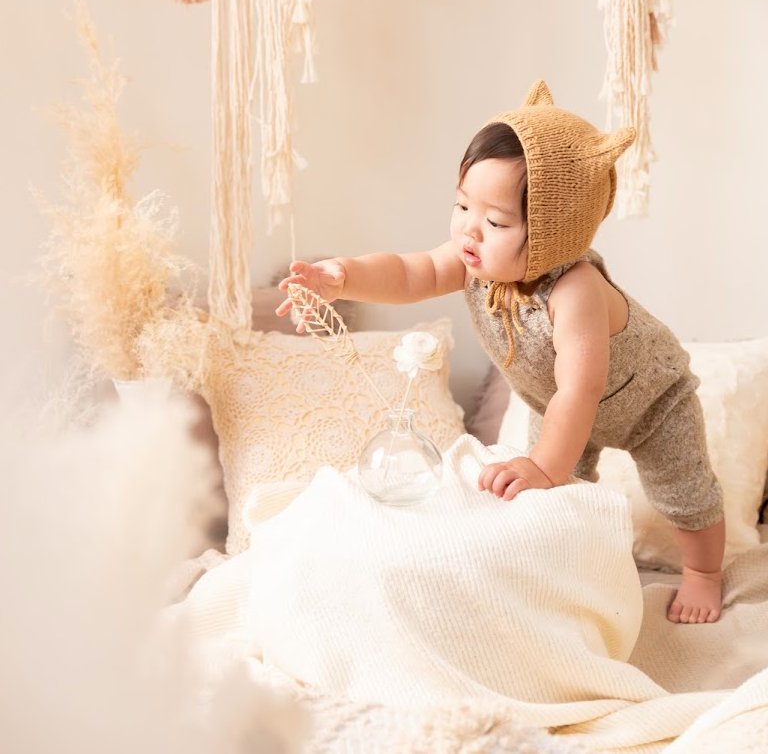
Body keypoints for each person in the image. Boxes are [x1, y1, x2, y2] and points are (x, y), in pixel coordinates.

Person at [276, 80, 725, 624]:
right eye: (462, 204)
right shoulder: (474, 260)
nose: (470, 229)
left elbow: (581, 388)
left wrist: (543, 464)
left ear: (555, 233)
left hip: (650, 403)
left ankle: (704, 573)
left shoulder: (575, 290)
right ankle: (572, 568)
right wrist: (344, 276)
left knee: (683, 491)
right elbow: (409, 272)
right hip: (555, 405)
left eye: (495, 221)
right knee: (551, 497)